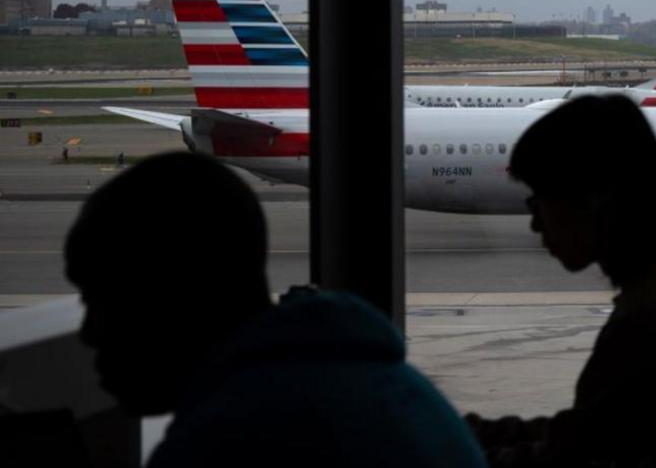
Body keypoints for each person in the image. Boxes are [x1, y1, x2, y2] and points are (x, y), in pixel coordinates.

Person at [64, 151, 485, 468]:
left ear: (168, 300)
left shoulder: (235, 436)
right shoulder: (377, 381)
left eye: (101, 300)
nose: (88, 333)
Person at [466, 96, 656, 466]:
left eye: (540, 201)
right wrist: (467, 431)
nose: (534, 224)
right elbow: (592, 432)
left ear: (596, 201)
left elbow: (578, 455)